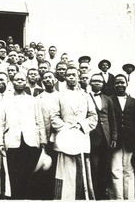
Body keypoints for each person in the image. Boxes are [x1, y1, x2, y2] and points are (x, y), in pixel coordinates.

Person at [0, 72, 47, 199]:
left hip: (31, 141)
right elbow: (1, 124)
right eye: (17, 79)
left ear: (26, 82)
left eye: (22, 80)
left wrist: (42, 140)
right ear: (12, 82)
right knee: (15, 176)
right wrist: (0, 143)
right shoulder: (6, 101)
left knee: (31, 176)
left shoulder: (34, 100)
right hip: (13, 142)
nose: (19, 81)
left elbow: (39, 121)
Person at [50, 66, 97, 200]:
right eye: (68, 75)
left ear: (78, 77)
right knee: (64, 173)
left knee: (81, 172)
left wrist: (80, 126)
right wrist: (67, 128)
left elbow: (93, 117)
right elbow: (54, 116)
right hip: (65, 139)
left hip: (81, 137)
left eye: (74, 75)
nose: (71, 77)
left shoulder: (86, 95)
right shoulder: (59, 95)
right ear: (64, 78)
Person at [110, 74, 135, 200]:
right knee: (116, 170)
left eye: (122, 82)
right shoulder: (110, 100)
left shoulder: (133, 102)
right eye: (117, 83)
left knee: (129, 170)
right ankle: (119, 198)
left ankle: (130, 198)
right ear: (114, 85)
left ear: (126, 84)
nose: (120, 85)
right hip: (115, 142)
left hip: (131, 141)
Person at [88, 74, 117, 200]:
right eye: (94, 81)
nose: (97, 83)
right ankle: (92, 193)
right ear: (90, 83)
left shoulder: (107, 99)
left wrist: (114, 138)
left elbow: (113, 119)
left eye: (100, 81)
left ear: (103, 84)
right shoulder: (85, 97)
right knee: (93, 167)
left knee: (104, 167)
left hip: (106, 137)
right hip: (92, 137)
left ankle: (102, 194)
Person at [35, 71, 60, 199]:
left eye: (50, 77)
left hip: (60, 137)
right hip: (44, 138)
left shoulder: (61, 96)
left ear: (55, 80)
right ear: (42, 81)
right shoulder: (38, 99)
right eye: (45, 78)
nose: (48, 80)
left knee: (58, 167)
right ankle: (44, 195)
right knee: (45, 167)